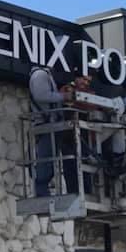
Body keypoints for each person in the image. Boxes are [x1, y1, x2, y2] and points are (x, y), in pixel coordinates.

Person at [29, 65, 75, 196]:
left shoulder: (44, 75)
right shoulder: (40, 74)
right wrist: (63, 96)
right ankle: (41, 192)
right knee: (45, 162)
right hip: (46, 125)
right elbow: (41, 95)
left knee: (48, 161)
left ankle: (43, 190)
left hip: (51, 125)